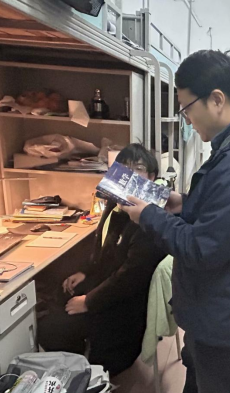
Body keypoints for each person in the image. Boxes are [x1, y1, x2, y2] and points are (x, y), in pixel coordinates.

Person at [121, 50, 230, 393]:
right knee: (197, 369)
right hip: (214, 303)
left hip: (222, 311)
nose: (186, 118)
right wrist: (183, 203)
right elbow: (225, 217)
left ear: (216, 99)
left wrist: (149, 215)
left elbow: (203, 248)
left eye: (186, 108)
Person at [37, 144, 167, 377]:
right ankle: (76, 357)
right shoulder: (116, 206)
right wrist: (85, 272)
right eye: (124, 169)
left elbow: (130, 278)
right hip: (109, 286)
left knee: (51, 328)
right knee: (59, 290)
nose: (130, 175)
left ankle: (84, 373)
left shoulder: (150, 220)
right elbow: (105, 249)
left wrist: (89, 301)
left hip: (125, 307)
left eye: (138, 169)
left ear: (151, 177)